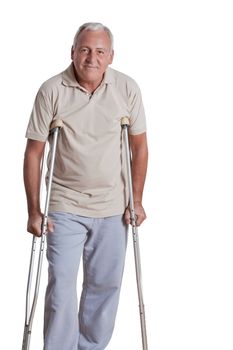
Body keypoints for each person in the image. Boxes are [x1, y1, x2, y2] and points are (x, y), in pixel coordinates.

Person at [24, 22, 148, 350]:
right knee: (62, 288)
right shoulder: (51, 90)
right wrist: (34, 210)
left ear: (110, 56)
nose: (91, 58)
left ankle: (90, 348)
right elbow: (34, 152)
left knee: (105, 288)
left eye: (99, 51)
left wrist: (136, 199)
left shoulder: (127, 88)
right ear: (73, 53)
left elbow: (140, 147)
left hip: (112, 205)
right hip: (64, 203)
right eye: (84, 50)